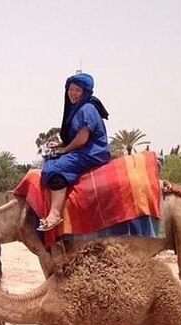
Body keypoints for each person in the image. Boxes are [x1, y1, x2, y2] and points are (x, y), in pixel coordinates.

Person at [38, 72, 110, 231]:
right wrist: (60, 144)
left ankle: (55, 214)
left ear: (85, 92)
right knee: (49, 162)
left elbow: (83, 139)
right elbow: (80, 136)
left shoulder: (87, 108)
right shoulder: (80, 108)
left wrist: (64, 150)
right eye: (71, 89)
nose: (73, 93)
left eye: (77, 90)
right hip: (85, 148)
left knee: (54, 169)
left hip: (92, 152)